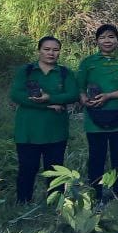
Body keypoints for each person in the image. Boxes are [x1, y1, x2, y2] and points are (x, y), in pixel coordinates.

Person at [11, 36, 79, 204]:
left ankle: (55, 203)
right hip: (27, 131)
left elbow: (73, 94)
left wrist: (50, 97)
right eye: (47, 49)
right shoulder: (26, 71)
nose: (51, 53)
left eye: (55, 50)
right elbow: (16, 95)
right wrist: (48, 105)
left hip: (55, 131)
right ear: (39, 50)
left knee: (55, 170)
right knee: (27, 168)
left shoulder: (64, 73)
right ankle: (23, 202)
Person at [78, 24, 118, 199]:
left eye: (111, 36)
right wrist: (84, 99)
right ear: (96, 40)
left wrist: (109, 96)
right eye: (103, 37)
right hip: (94, 118)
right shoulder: (88, 63)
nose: (107, 40)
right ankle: (94, 194)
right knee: (96, 157)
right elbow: (80, 87)